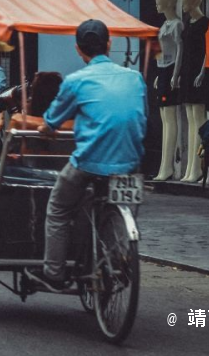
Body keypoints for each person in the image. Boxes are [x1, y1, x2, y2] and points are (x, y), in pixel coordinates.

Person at [25, 20, 147, 292]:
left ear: (78, 50)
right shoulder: (134, 78)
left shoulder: (76, 81)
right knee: (121, 205)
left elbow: (52, 120)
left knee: (58, 208)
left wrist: (46, 128)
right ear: (109, 44)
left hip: (90, 161)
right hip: (132, 163)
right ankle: (120, 256)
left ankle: (54, 272)